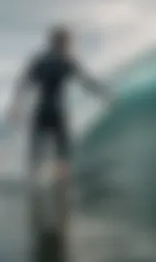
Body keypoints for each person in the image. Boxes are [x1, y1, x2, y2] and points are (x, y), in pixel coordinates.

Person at [8, 25, 112, 182]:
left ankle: (35, 183)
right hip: (54, 112)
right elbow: (86, 81)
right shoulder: (66, 62)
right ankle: (58, 185)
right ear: (60, 42)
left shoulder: (40, 61)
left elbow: (24, 83)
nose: (69, 45)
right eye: (67, 42)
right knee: (61, 152)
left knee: (39, 151)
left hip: (42, 111)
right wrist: (104, 94)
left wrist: (16, 106)